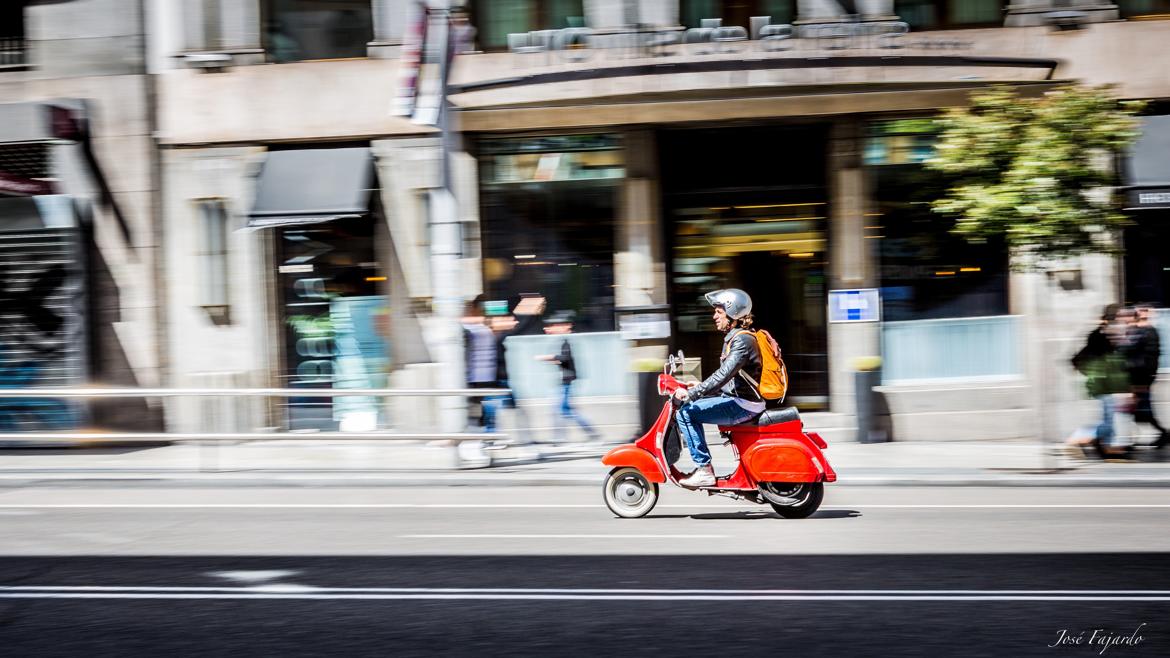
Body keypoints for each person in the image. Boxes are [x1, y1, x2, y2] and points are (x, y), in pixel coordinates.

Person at [672, 289, 766, 487]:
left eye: (719, 312)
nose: (714, 316)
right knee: (691, 407)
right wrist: (700, 387)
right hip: (740, 400)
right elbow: (730, 379)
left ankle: (704, 469)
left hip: (743, 404)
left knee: (685, 413)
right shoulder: (735, 338)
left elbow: (723, 376)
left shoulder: (742, 340)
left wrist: (692, 394)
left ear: (733, 313)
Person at [1070, 303, 1132, 459]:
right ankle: (1079, 437)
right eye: (1119, 316)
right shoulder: (1101, 335)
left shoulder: (1107, 334)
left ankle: (1107, 446)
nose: (1122, 319)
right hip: (1101, 383)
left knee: (1109, 418)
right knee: (1108, 420)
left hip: (1106, 383)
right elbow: (1105, 360)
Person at [538, 311, 601, 442]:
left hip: (567, 381)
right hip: (566, 380)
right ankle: (567, 436)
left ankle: (566, 437)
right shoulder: (565, 340)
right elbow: (566, 360)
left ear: (566, 326)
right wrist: (555, 360)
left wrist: (549, 357)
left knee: (562, 410)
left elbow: (565, 358)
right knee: (562, 410)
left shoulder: (568, 340)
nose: (553, 328)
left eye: (557, 325)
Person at [1124, 304, 1170, 449]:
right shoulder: (1138, 331)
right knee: (1136, 409)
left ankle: (1163, 433)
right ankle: (1128, 439)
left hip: (1141, 378)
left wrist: (1147, 378)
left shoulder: (1148, 332)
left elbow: (1148, 358)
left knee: (1141, 409)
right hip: (1138, 377)